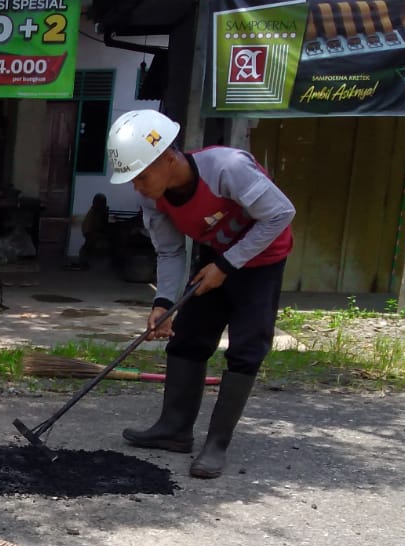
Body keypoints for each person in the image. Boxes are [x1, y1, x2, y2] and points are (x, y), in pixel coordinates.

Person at [106, 109, 295, 478]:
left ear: (168, 158)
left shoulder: (227, 167)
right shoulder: (153, 198)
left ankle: (217, 444)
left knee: (246, 348)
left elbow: (280, 213)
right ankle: (174, 430)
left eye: (142, 176)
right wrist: (164, 303)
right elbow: (170, 251)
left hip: (263, 258)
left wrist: (227, 265)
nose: (138, 186)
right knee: (188, 338)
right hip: (217, 255)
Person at [77, 192, 110, 267]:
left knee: (89, 246)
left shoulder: (97, 210)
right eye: (102, 202)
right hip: (89, 231)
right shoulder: (96, 211)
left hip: (89, 230)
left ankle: (84, 262)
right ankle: (83, 262)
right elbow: (97, 224)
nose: (104, 203)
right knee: (88, 246)